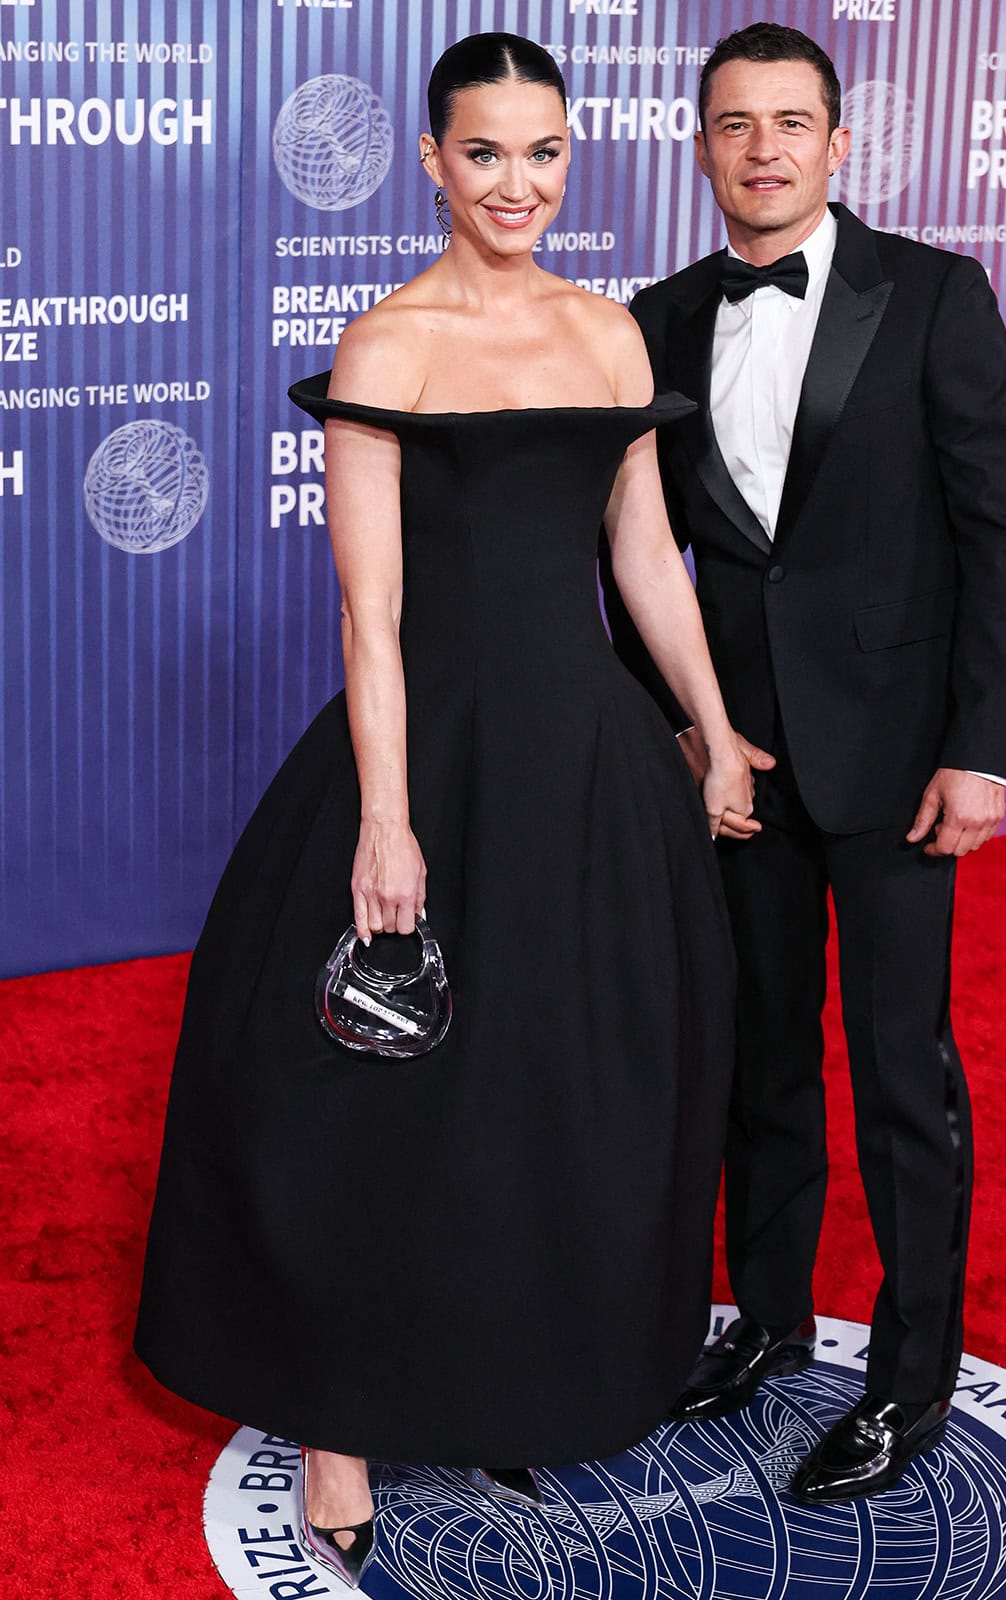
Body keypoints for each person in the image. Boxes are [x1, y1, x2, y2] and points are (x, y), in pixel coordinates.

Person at [136, 32, 757, 1589]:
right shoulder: (387, 346)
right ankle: (332, 1416)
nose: (518, 185)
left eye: (543, 153)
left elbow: (641, 560)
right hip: (432, 749)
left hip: (591, 763)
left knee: (550, 1087)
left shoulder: (611, 336)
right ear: (432, 161)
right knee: (371, 1080)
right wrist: (387, 821)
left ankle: (500, 1373)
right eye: (484, 154)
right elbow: (373, 613)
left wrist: (715, 728)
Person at [602, 22, 1006, 1502]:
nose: (767, 148)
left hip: (905, 761)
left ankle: (913, 1384)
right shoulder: (655, 317)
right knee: (759, 1061)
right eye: (737, 124)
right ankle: (772, 1324)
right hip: (737, 761)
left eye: (794, 122)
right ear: (704, 145)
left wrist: (983, 751)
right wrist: (679, 729)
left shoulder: (933, 292)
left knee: (899, 1076)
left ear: (840, 143)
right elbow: (623, 554)